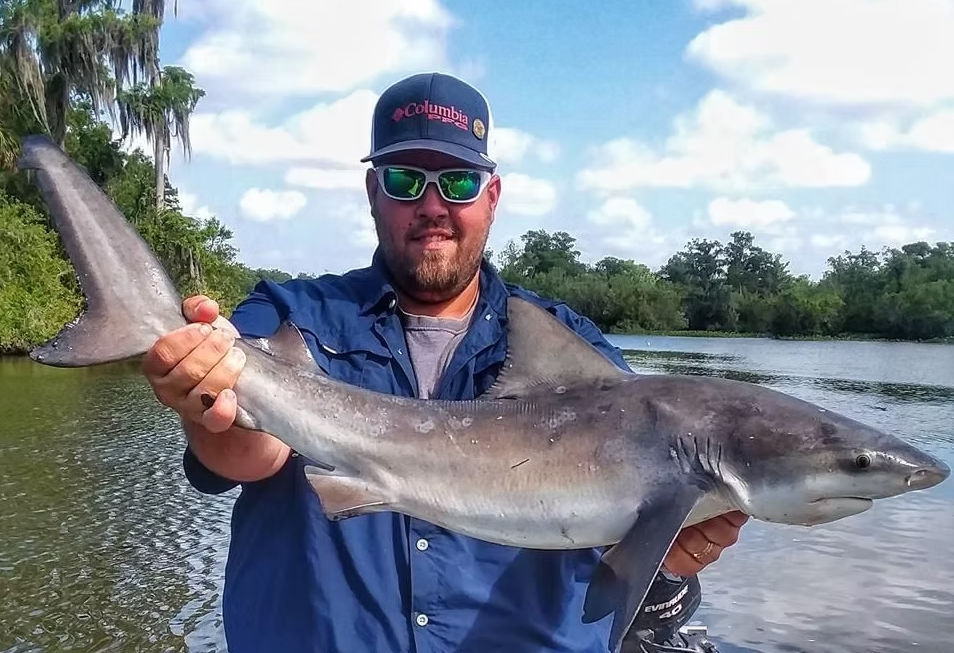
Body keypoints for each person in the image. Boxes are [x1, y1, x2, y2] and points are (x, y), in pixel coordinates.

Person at [143, 71, 748, 653]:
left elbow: (636, 543)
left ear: (492, 197)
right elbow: (248, 454)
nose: (432, 205)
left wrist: (667, 552)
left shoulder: (575, 353)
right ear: (373, 193)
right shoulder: (289, 315)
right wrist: (207, 390)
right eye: (406, 180)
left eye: (457, 183)